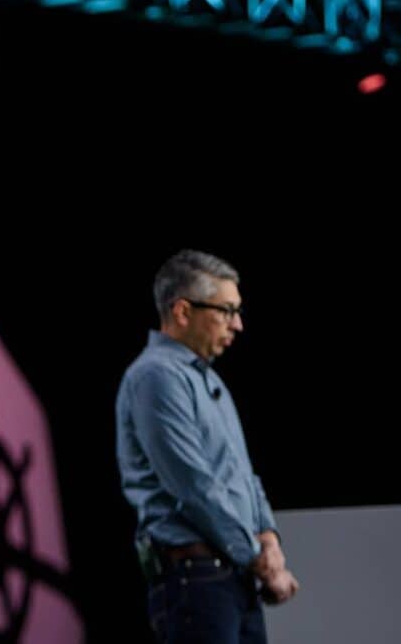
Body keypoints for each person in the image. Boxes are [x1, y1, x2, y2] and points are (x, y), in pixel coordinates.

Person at [115, 249, 298, 643]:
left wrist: (270, 537)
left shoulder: (207, 380)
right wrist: (259, 559)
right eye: (227, 311)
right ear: (183, 311)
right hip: (196, 580)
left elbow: (244, 474)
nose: (238, 325)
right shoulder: (156, 378)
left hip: (231, 575)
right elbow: (194, 487)